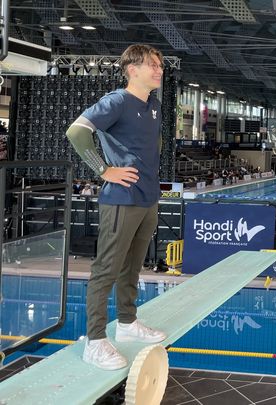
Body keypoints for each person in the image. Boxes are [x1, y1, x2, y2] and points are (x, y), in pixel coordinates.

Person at [66, 44, 167, 370]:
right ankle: (95, 341)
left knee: (132, 267)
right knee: (106, 270)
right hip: (121, 199)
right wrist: (104, 169)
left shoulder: (153, 105)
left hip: (148, 198)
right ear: (132, 70)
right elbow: (77, 132)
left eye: (160, 65)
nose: (159, 70)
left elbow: (155, 143)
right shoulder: (117, 101)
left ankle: (127, 321)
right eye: (152, 65)